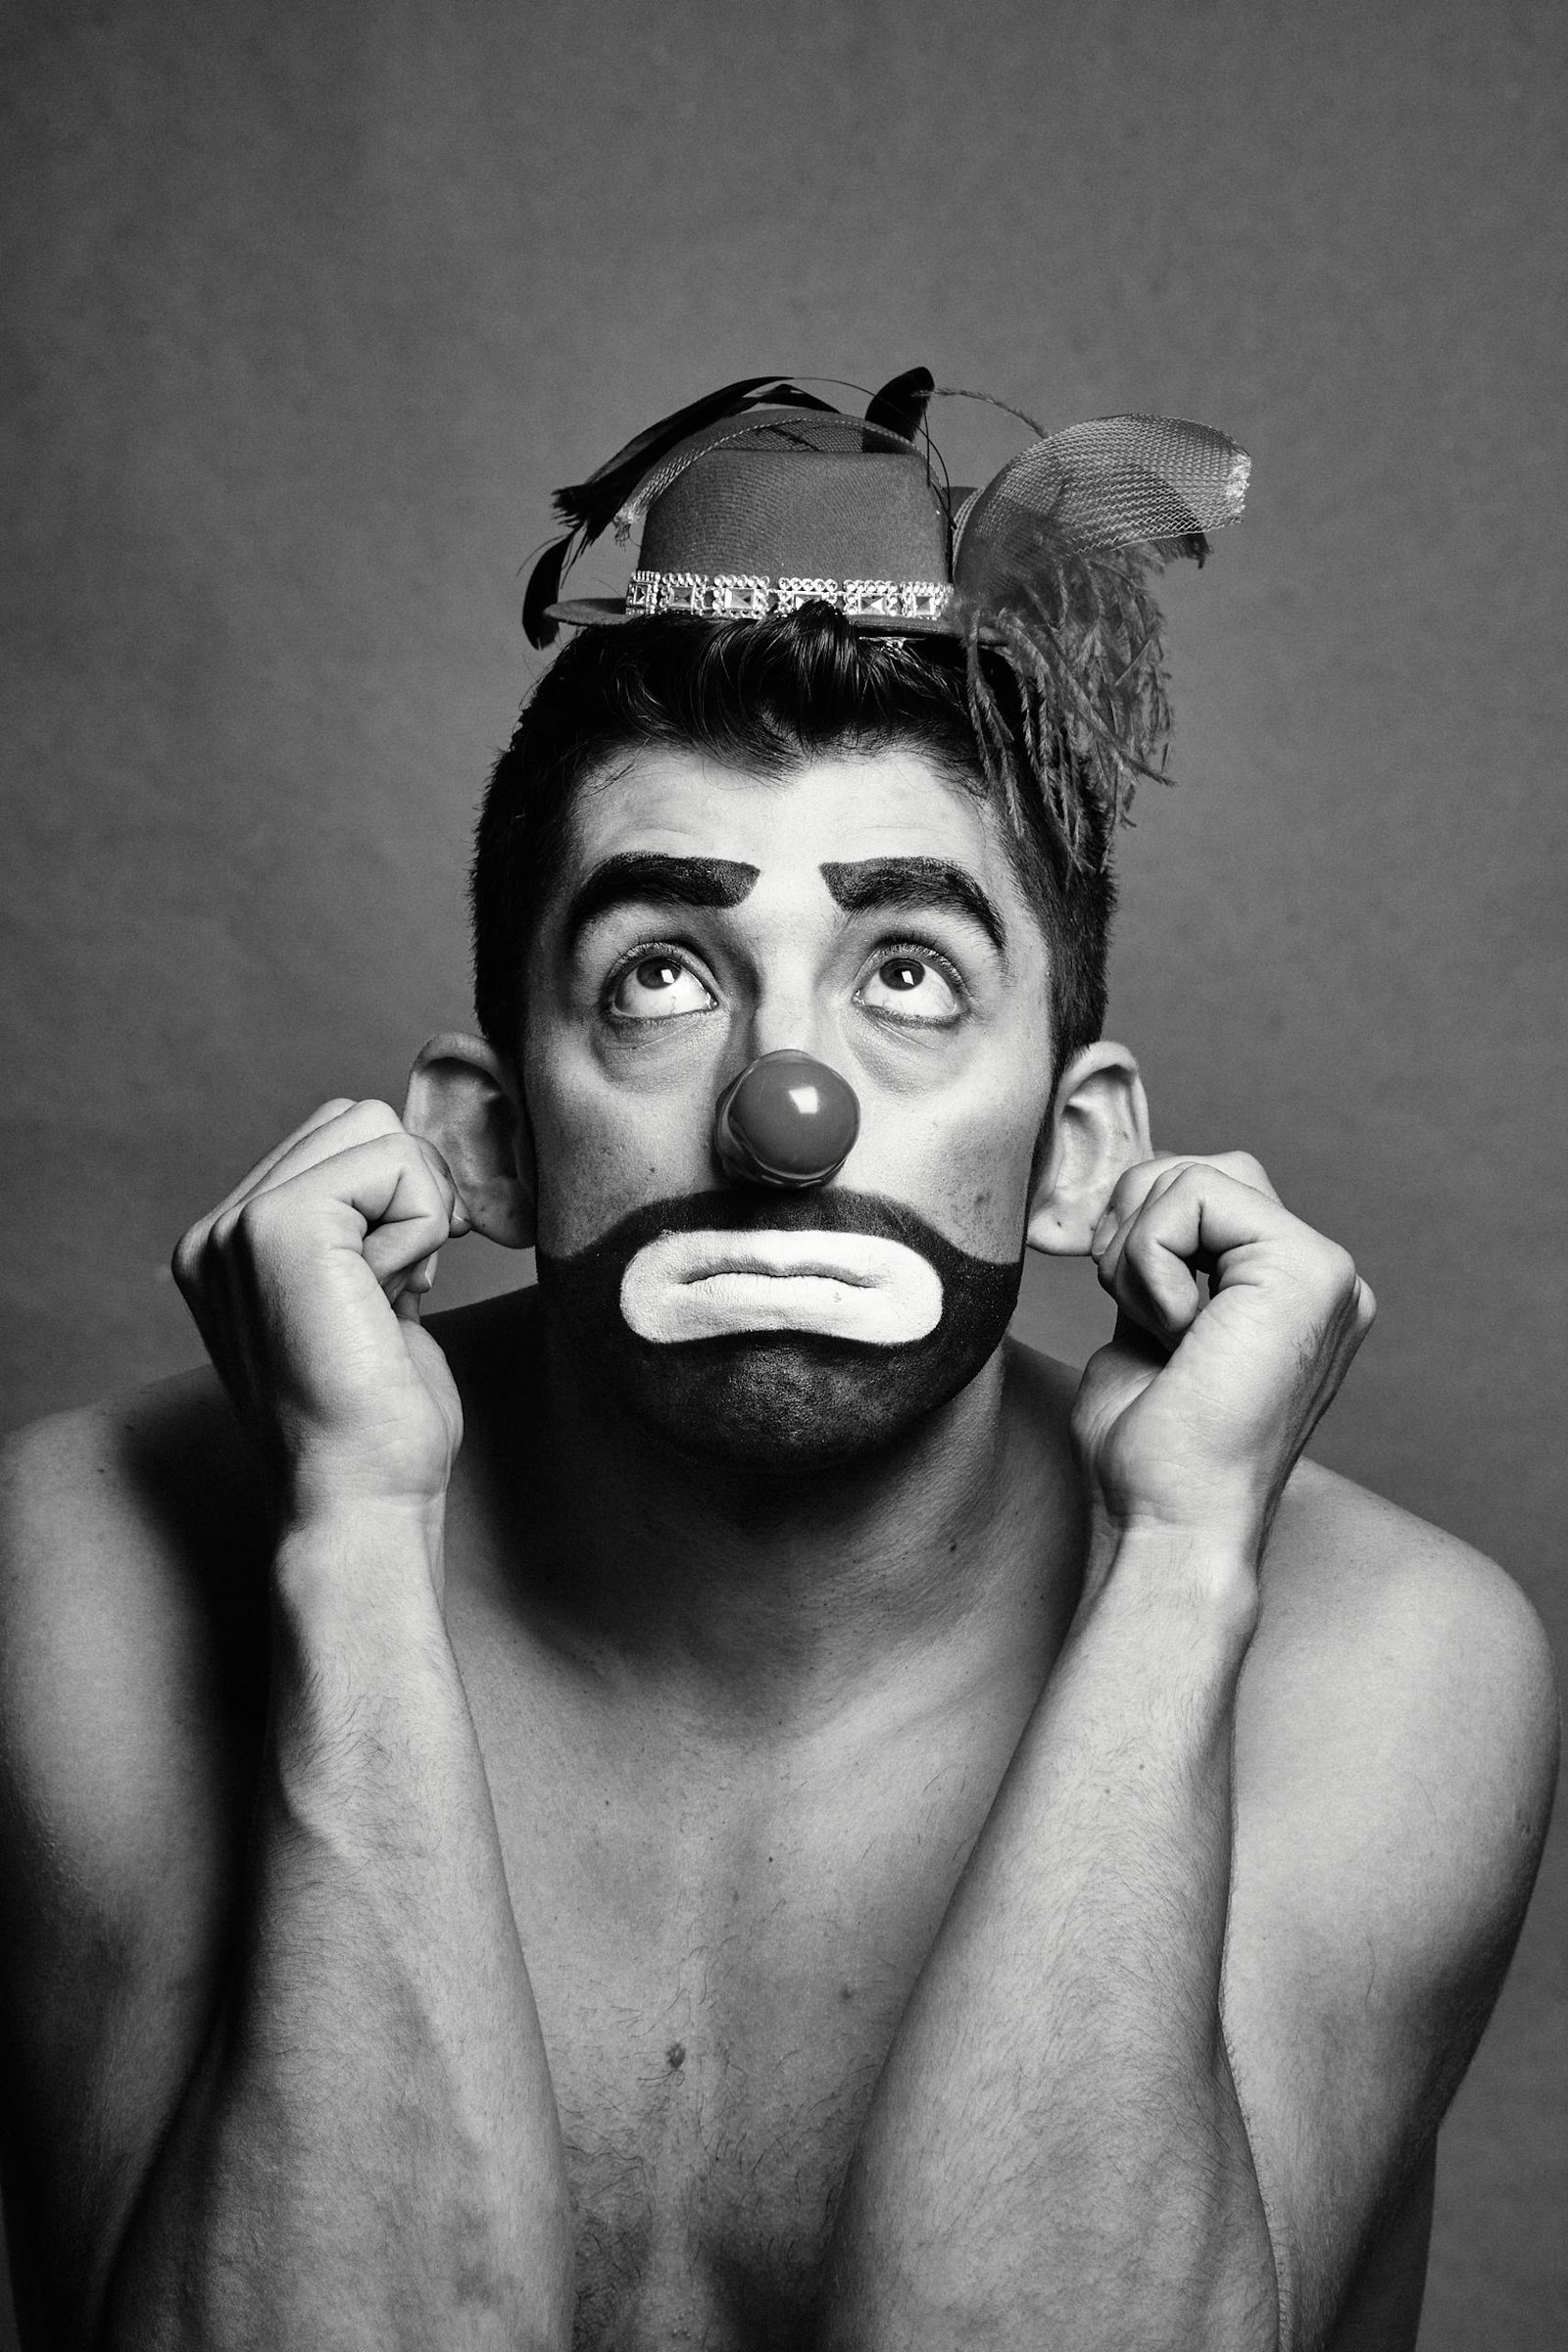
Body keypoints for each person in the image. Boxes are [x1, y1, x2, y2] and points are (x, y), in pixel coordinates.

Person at [0, 377, 1556, 2352]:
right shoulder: (81, 1575)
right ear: (487, 1139)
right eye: (661, 975)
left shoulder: (1391, 1659)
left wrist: (1177, 1561)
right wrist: (357, 1531)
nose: (784, 1111)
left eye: (907, 975)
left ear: (1075, 1151)